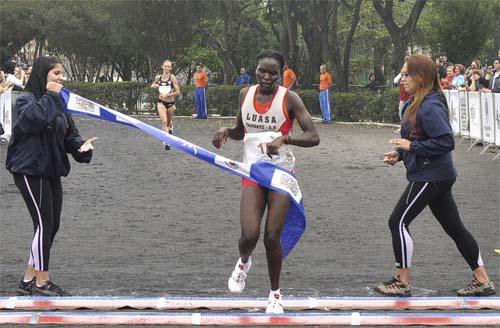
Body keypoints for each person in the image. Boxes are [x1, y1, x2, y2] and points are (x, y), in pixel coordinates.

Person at [375, 55, 495, 297]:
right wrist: (399, 153)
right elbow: (418, 137)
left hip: (431, 175)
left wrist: (411, 148)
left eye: (407, 74)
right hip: (435, 173)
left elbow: (446, 141)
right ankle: (482, 280)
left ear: (421, 77)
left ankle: (402, 282)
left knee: (397, 221)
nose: (402, 79)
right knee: (454, 227)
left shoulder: (429, 105)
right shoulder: (419, 102)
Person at [212, 50, 319, 313]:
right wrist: (226, 132)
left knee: (272, 236)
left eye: (273, 73)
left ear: (282, 74)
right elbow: (241, 131)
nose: (267, 77)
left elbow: (314, 136)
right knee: (249, 235)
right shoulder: (245, 94)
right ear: (255, 69)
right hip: (252, 172)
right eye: (262, 71)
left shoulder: (289, 99)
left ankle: (275, 294)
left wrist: (285, 139)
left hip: (281, 174)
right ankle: (244, 262)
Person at [5, 56, 97, 296]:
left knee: (50, 225)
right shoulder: (26, 100)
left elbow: (69, 134)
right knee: (44, 223)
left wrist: (80, 147)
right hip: (29, 168)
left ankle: (28, 280)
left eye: (61, 73)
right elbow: (30, 122)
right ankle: (42, 282)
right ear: (43, 74)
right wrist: (53, 96)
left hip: (51, 168)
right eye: (56, 73)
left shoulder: (59, 103)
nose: (61, 77)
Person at [151, 60, 180, 150]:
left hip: (170, 103)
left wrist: (168, 95)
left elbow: (178, 92)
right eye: (165, 66)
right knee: (164, 121)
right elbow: (152, 85)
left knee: (168, 122)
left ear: (171, 68)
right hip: (161, 102)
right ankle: (167, 141)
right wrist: (154, 86)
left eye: (168, 67)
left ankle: (170, 127)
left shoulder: (172, 77)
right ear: (162, 66)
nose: (167, 68)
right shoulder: (158, 77)